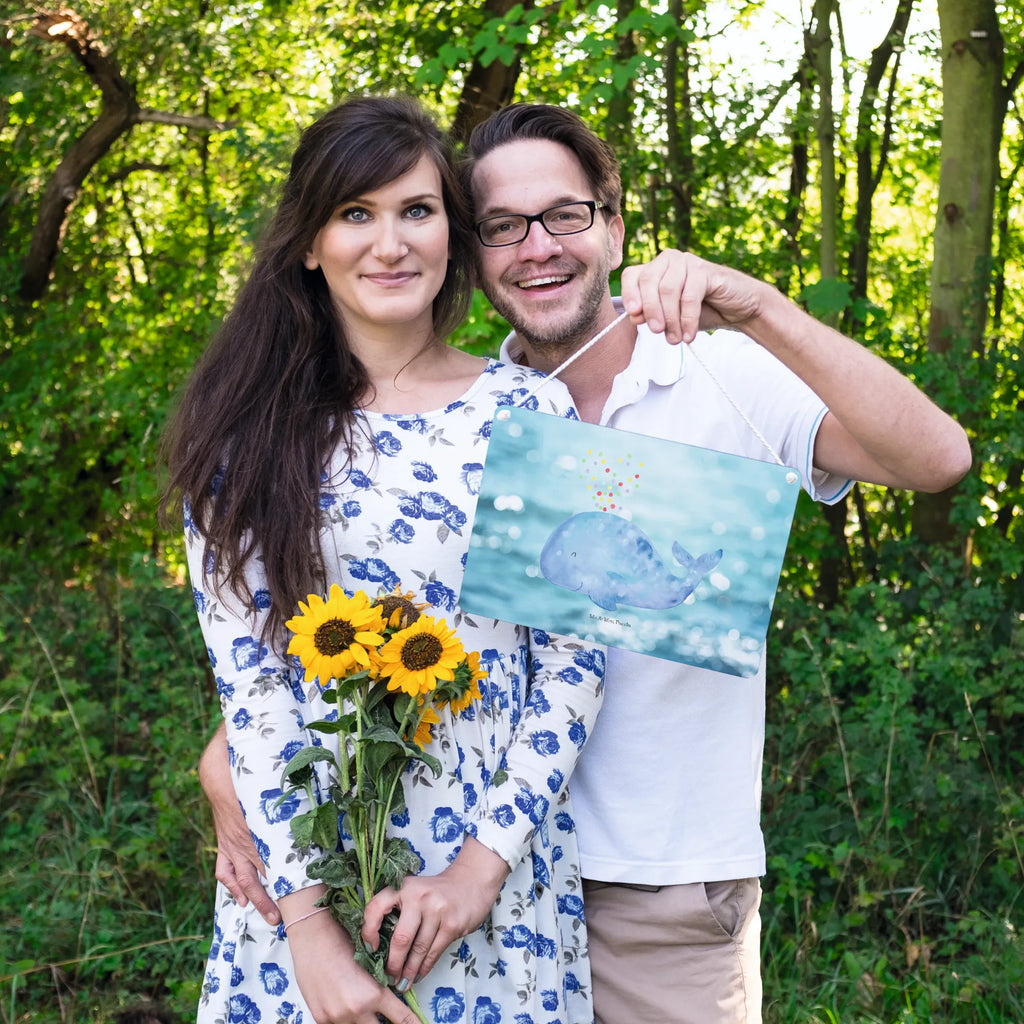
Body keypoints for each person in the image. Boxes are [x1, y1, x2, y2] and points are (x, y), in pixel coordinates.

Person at [201, 102, 972, 1024]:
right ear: (475, 250)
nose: (537, 247)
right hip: (411, 874)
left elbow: (938, 461)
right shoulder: (450, 413)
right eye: (502, 227)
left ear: (612, 225)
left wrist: (759, 306)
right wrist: (235, 771)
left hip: (648, 887)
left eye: (564, 215)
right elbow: (331, 634)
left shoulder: (708, 374)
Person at [162, 96, 608, 1024]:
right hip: (301, 886)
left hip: (492, 886)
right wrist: (310, 936)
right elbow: (254, 691)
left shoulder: (533, 416)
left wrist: (478, 874)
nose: (390, 243)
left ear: (452, 230)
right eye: (355, 214)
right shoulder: (243, 438)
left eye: (417, 210)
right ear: (309, 244)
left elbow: (572, 664)